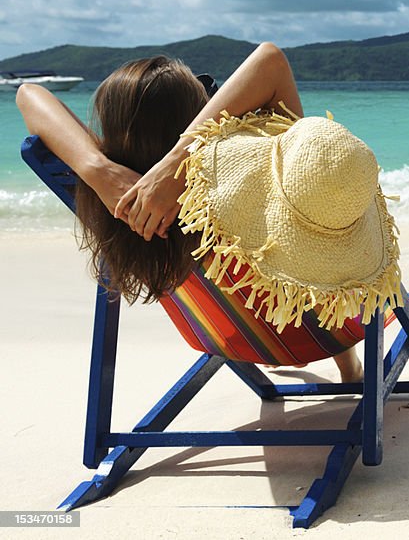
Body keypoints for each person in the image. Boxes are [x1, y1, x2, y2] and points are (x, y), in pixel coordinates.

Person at [16, 43, 368, 381]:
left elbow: (28, 94)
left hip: (227, 335)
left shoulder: (115, 200)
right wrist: (179, 159)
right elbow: (271, 60)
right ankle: (349, 367)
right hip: (322, 330)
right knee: (320, 221)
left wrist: (97, 169)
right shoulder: (249, 177)